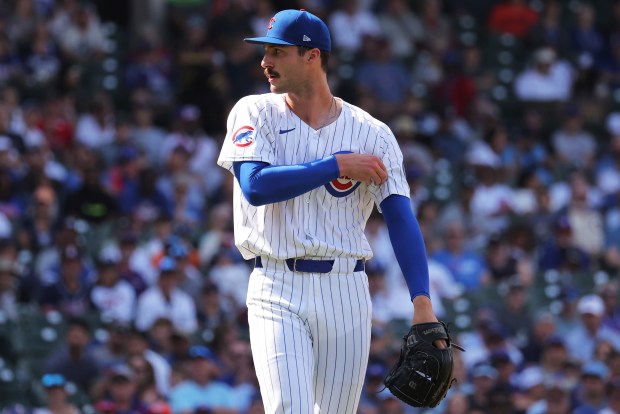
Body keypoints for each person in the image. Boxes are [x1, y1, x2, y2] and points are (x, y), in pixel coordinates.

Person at [216, 9, 444, 413]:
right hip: (275, 284)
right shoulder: (254, 111)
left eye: (277, 51)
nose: (265, 62)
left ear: (312, 56)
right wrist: (335, 165)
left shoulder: (371, 133)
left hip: (345, 288)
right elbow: (255, 186)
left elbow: (400, 217)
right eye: (265, 51)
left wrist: (422, 302)